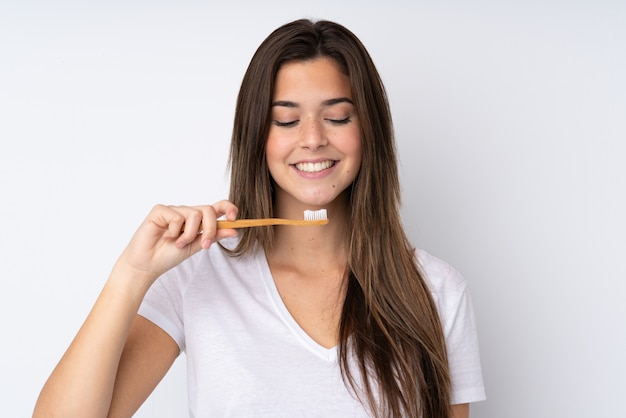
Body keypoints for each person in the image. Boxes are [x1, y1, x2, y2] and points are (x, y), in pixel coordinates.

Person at [34, 19, 485, 418]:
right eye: (286, 122)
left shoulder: (438, 291)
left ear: (369, 132)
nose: (312, 139)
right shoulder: (197, 275)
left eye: (337, 117)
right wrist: (131, 274)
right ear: (257, 137)